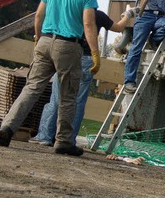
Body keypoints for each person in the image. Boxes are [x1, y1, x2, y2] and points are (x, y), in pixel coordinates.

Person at [0, 0, 103, 156]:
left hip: (44, 41)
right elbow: (89, 24)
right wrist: (96, 54)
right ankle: (63, 141)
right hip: (68, 46)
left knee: (31, 88)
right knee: (68, 95)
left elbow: (38, 15)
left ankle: (7, 128)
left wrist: (38, 38)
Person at [29, 8, 138, 146]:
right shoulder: (98, 15)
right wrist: (128, 15)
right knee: (78, 102)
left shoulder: (71, 12)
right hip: (87, 59)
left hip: (67, 54)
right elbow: (118, 27)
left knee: (56, 98)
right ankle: (67, 140)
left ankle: (45, 136)